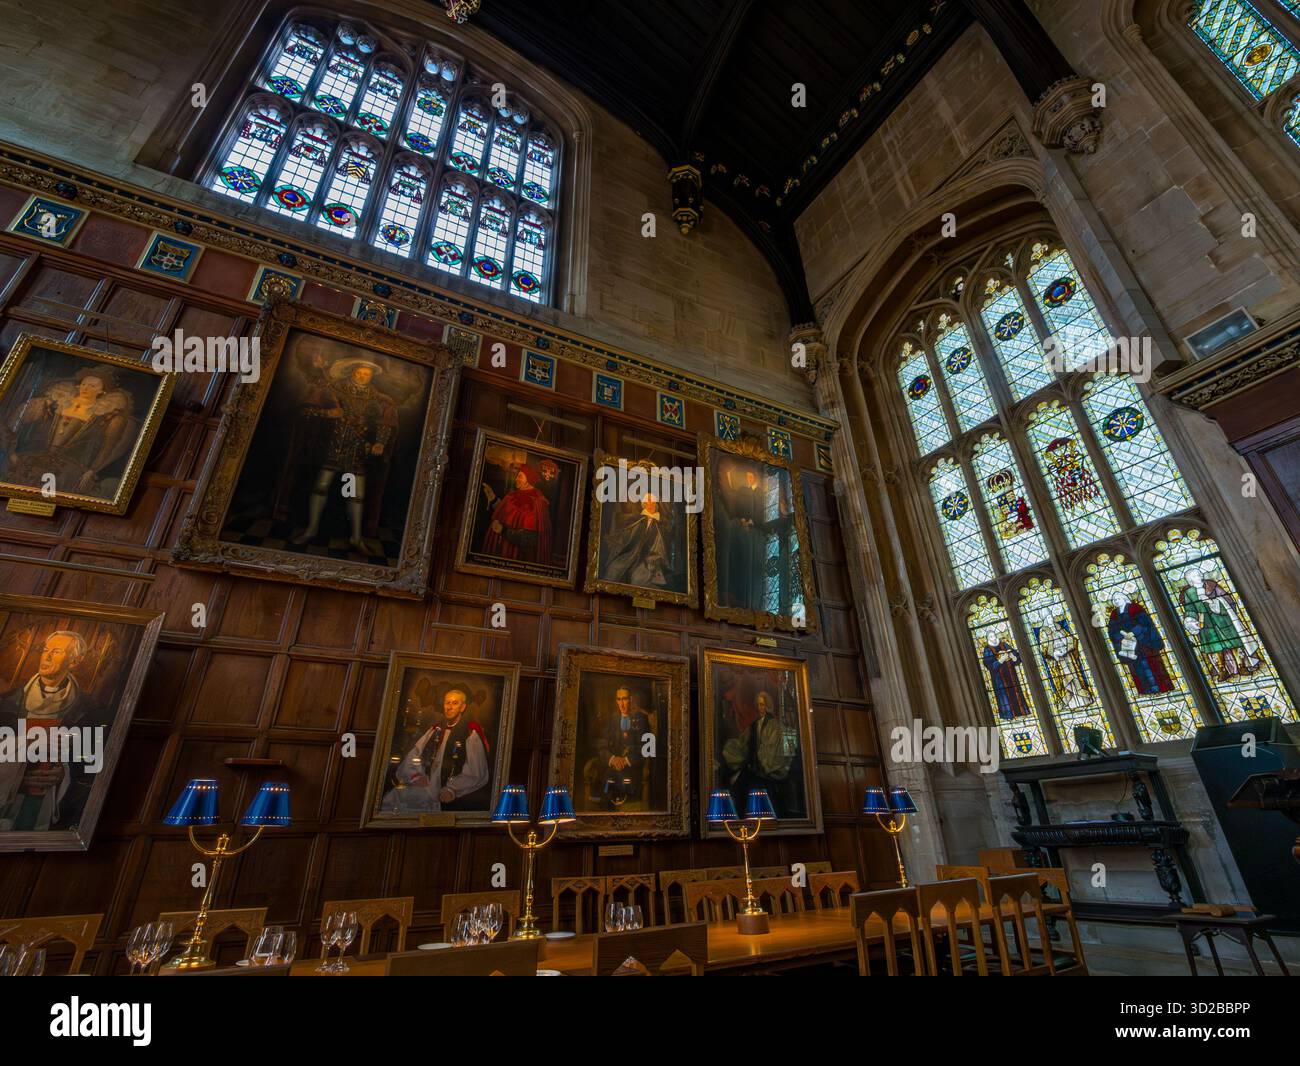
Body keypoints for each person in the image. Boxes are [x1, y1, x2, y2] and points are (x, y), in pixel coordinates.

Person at [292, 355, 397, 553]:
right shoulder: (334, 390)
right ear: (352, 372)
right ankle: (312, 529)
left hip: (357, 450)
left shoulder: (377, 398)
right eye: (360, 372)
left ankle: (356, 538)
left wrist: (380, 442)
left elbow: (385, 423)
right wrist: (328, 414)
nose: (363, 376)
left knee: (356, 494)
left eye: (367, 374)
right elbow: (306, 411)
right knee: (321, 486)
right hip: (332, 446)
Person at [0, 630, 100, 832]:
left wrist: (65, 772)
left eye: (55, 652)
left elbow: (91, 763)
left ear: (74, 661)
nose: (46, 657)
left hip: (49, 807)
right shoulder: (7, 703)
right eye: (45, 650)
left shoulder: (88, 709)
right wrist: (16, 775)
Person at [2, 363, 138, 499]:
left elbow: (108, 449)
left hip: (69, 469)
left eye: (93, 386)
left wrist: (91, 471)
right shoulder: (48, 404)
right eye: (85, 384)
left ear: (102, 391)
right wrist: (11, 453)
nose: (86, 388)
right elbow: (10, 426)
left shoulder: (107, 418)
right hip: (30, 461)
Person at [383, 687, 491, 812]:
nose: (449, 707)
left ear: (462, 707)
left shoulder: (470, 732)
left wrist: (452, 789)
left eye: (455, 703)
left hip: (446, 788)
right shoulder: (435, 729)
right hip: (425, 783)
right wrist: (415, 776)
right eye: (447, 703)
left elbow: (475, 772)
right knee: (394, 799)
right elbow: (414, 755)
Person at [721, 690, 798, 817]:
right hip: (753, 768)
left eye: (762, 704)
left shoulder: (775, 726)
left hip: (765, 772)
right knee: (738, 789)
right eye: (758, 704)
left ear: (768, 705)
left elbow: (774, 750)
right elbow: (743, 743)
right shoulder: (754, 724)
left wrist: (763, 765)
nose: (759, 707)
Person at [1179, 569, 1261, 682]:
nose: (1199, 575)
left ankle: (1242, 666)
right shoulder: (1189, 593)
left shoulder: (1212, 585)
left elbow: (1228, 599)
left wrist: (1214, 602)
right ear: (1190, 580)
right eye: (1194, 575)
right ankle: (1222, 670)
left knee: (1234, 642)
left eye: (1198, 573)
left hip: (1222, 618)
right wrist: (1191, 620)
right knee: (1215, 647)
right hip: (1205, 623)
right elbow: (1190, 609)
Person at [599, 492, 681, 592]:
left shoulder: (660, 525)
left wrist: (655, 556)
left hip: (648, 559)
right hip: (631, 555)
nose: (650, 505)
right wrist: (615, 539)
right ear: (644, 505)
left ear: (656, 506)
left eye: (653, 503)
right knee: (613, 568)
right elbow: (626, 536)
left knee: (638, 580)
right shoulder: (638, 520)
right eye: (648, 502)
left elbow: (663, 547)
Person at [479, 464, 551, 564]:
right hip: (500, 549)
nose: (516, 479)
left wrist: (503, 531)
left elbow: (530, 539)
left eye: (520, 476)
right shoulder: (513, 495)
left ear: (529, 479)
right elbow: (508, 514)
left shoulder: (538, 502)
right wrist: (492, 498)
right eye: (517, 476)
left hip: (516, 555)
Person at [1107, 592, 1173, 695]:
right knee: (1137, 670)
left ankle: (1160, 689)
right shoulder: (1114, 614)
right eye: (1114, 600)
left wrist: (1133, 632)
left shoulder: (1135, 608)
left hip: (1144, 643)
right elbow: (1112, 630)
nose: (1116, 601)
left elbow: (1145, 623)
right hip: (1128, 647)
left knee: (1152, 666)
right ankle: (1145, 692)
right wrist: (1123, 635)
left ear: (1124, 598)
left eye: (1118, 598)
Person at [597, 686, 652, 809]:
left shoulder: (642, 719)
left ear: (631, 700)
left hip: (633, 768)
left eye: (625, 699)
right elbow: (602, 745)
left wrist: (626, 761)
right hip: (613, 767)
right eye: (619, 699)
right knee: (607, 781)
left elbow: (649, 749)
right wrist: (612, 759)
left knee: (619, 782)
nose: (622, 704)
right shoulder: (612, 720)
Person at [982, 630, 1033, 720]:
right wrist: (1000, 661)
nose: (993, 638)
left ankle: (1021, 713)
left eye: (994, 635)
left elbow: (1016, 656)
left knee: (1016, 692)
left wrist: (1013, 657)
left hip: (1011, 674)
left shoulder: (1004, 645)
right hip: (999, 679)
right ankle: (1008, 716)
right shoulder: (987, 649)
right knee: (1004, 696)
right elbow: (988, 664)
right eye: (990, 637)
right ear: (987, 639)